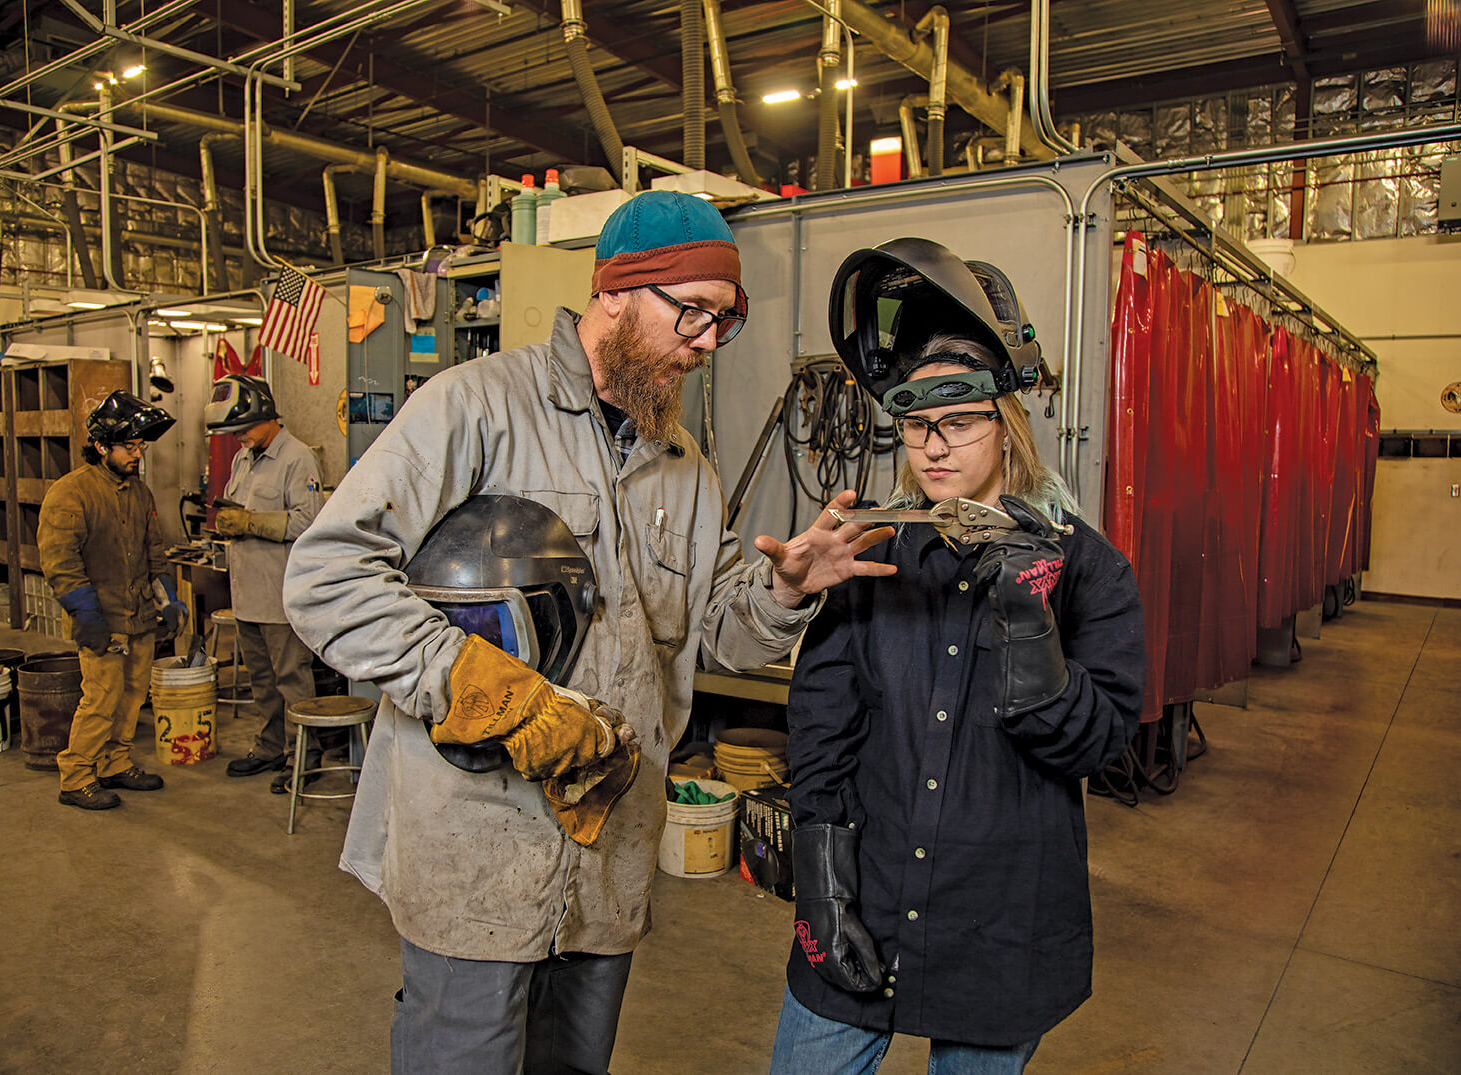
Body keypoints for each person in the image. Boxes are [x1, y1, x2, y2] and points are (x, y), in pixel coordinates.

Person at [282, 189, 896, 1075]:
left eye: (725, 321)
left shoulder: (685, 467)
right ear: (614, 291)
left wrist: (781, 588)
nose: (708, 342)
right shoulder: (474, 408)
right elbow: (327, 576)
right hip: (476, 839)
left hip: (610, 840)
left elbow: (712, 631)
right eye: (692, 312)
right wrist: (479, 686)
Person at [770, 239, 1146, 1074]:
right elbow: (820, 732)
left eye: (958, 422)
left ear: (1005, 421)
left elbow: (1097, 744)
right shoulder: (872, 559)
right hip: (864, 896)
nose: (933, 446)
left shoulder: (1086, 568)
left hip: (1000, 921)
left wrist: (1028, 625)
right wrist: (820, 889)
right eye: (914, 425)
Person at [39, 390, 187, 811]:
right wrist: (86, 614)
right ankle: (76, 775)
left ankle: (115, 763)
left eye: (140, 446)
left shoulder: (139, 493)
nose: (137, 454)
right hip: (103, 619)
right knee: (101, 700)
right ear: (102, 446)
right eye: (128, 446)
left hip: (139, 616)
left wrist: (168, 599)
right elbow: (59, 561)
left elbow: (153, 552)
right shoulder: (71, 493)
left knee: (132, 696)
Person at [204, 374, 332, 794]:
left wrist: (250, 522)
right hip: (248, 593)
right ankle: (272, 745)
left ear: (265, 415)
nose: (239, 438)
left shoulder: (297, 459)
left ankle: (304, 756)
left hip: (281, 595)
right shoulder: (245, 458)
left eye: (244, 429)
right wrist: (230, 518)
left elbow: (307, 522)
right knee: (261, 679)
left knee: (290, 679)